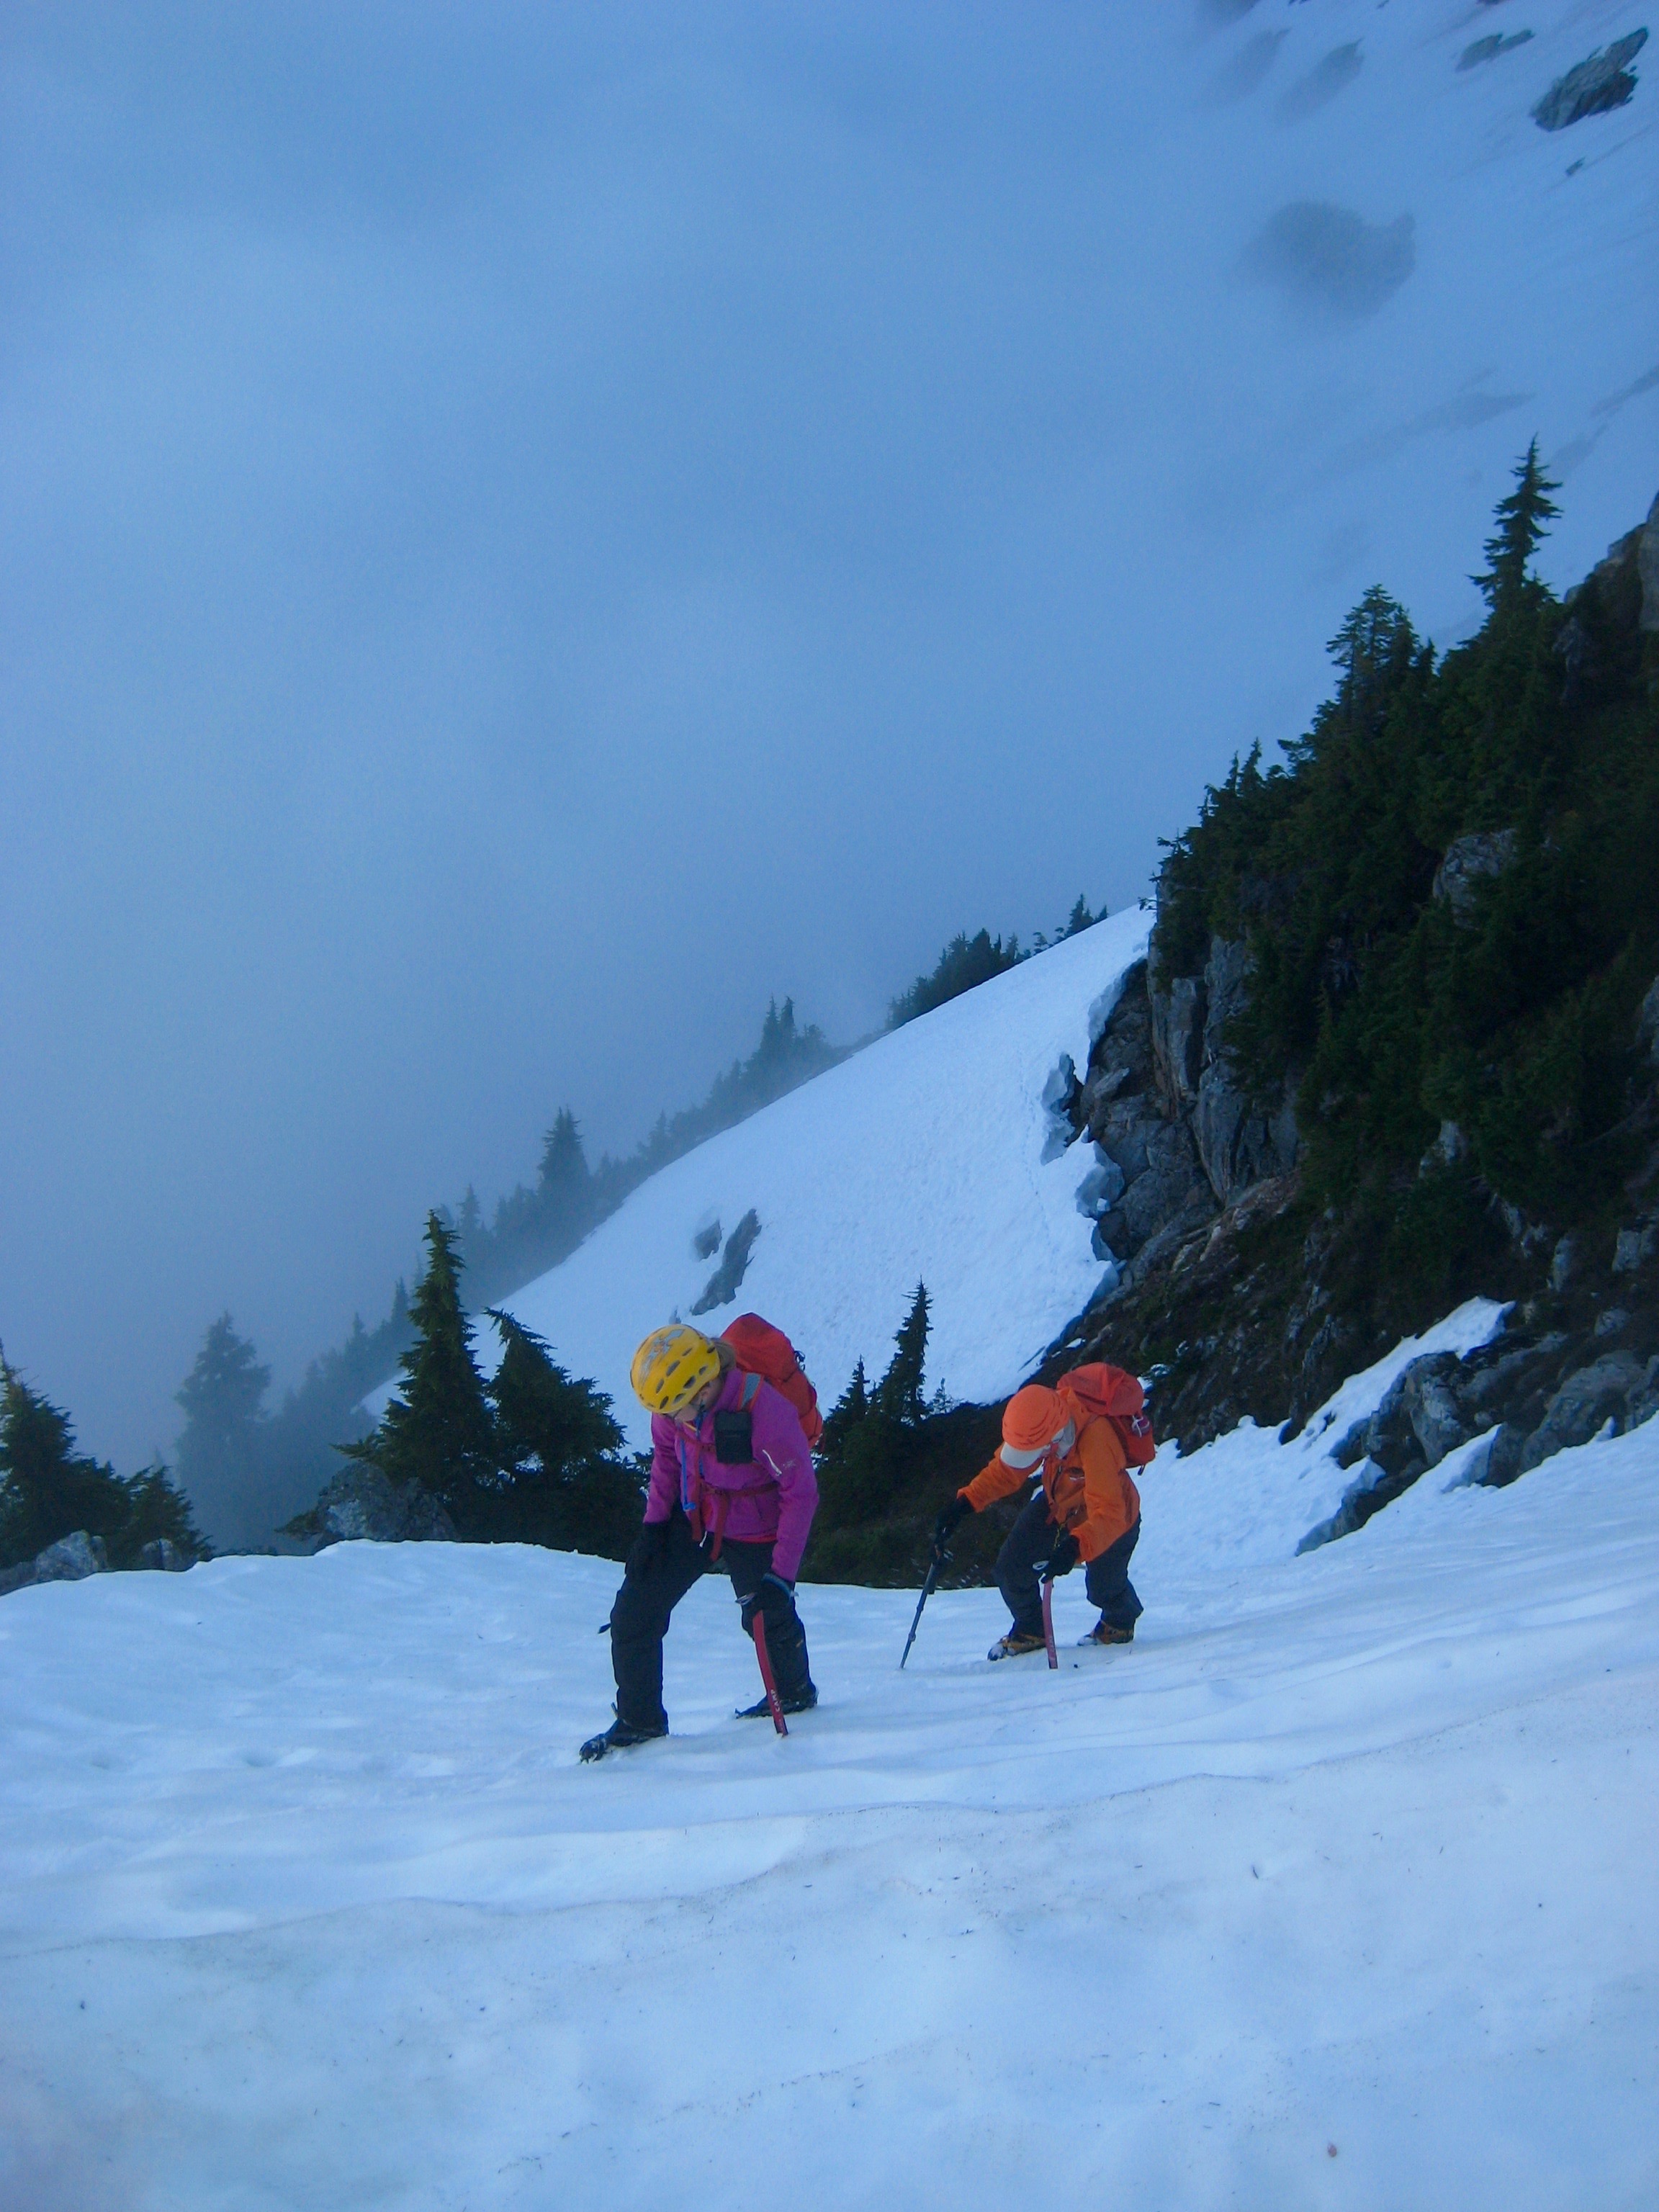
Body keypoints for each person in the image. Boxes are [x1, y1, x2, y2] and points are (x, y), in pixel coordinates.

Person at [580, 1323, 819, 1761]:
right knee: (634, 1611)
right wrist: (653, 1528)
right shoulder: (674, 1407)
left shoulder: (765, 1412)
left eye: (674, 1411)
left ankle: (795, 1696)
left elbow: (800, 1493)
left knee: (766, 1618)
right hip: (696, 1514)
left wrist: (780, 1576)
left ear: (705, 1388)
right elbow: (668, 1461)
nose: (669, 1420)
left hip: (755, 1523)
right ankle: (640, 1720)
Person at [935, 1371, 1143, 1660]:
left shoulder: (1096, 1440)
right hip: (1059, 1505)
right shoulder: (1046, 1420)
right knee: (1011, 1569)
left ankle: (1119, 1623)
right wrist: (965, 1503)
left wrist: (1074, 1547)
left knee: (1104, 1587)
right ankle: (1032, 1630)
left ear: (1052, 1442)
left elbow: (1109, 1513)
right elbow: (1007, 1471)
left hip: (1116, 1519)